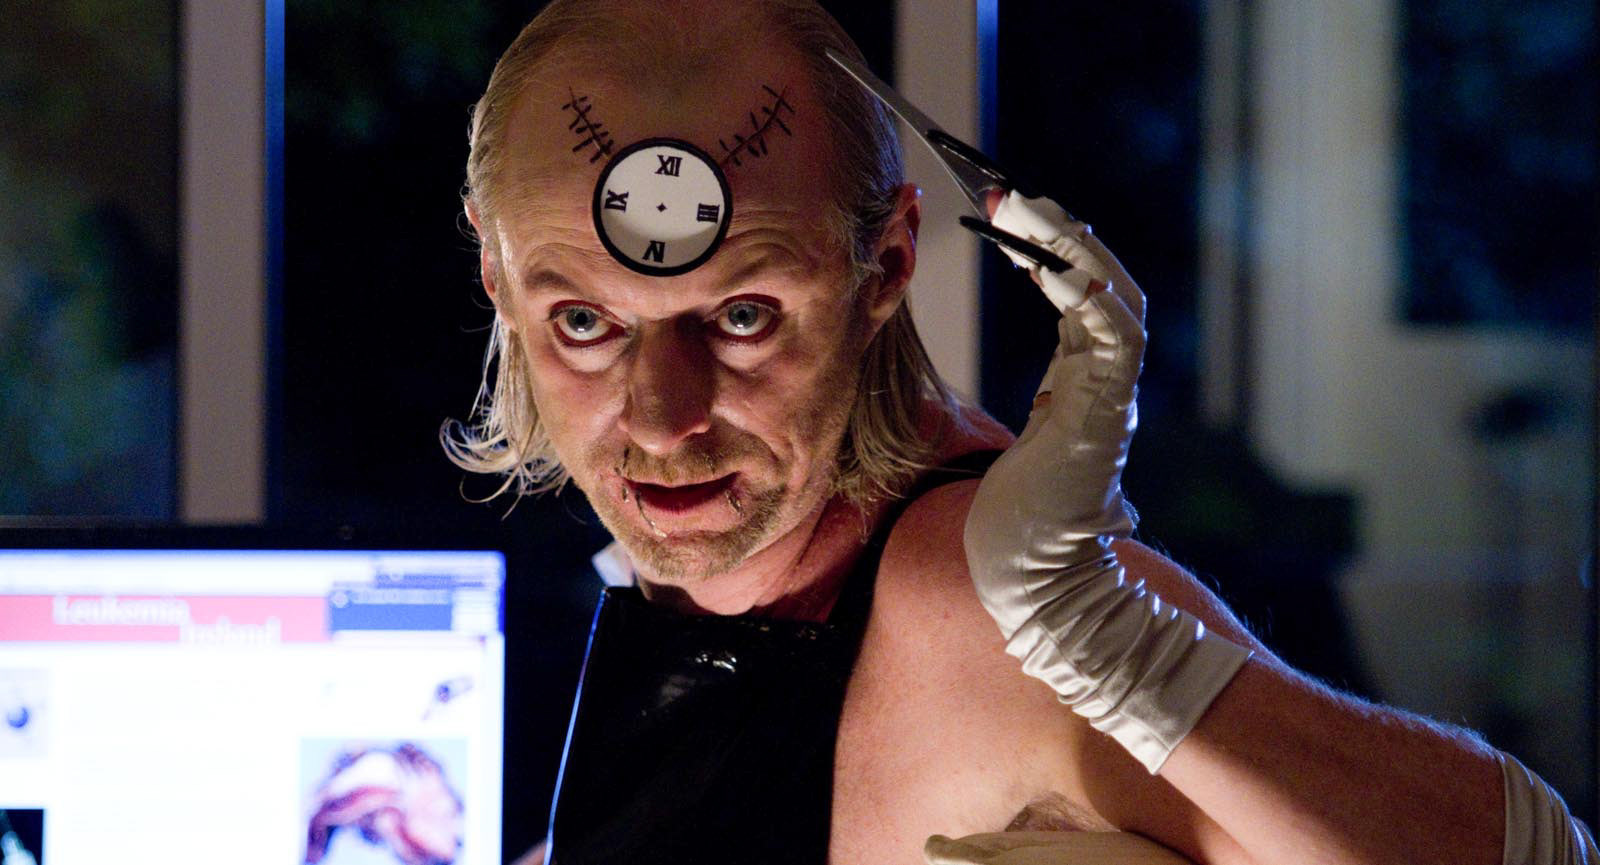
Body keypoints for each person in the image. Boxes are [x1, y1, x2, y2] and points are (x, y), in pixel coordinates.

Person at [441, 1, 1597, 863]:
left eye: (743, 316)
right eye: (584, 321)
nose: (660, 417)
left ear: (885, 267)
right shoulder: (707, 573)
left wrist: (1100, 635)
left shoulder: (967, 602)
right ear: (497, 275)